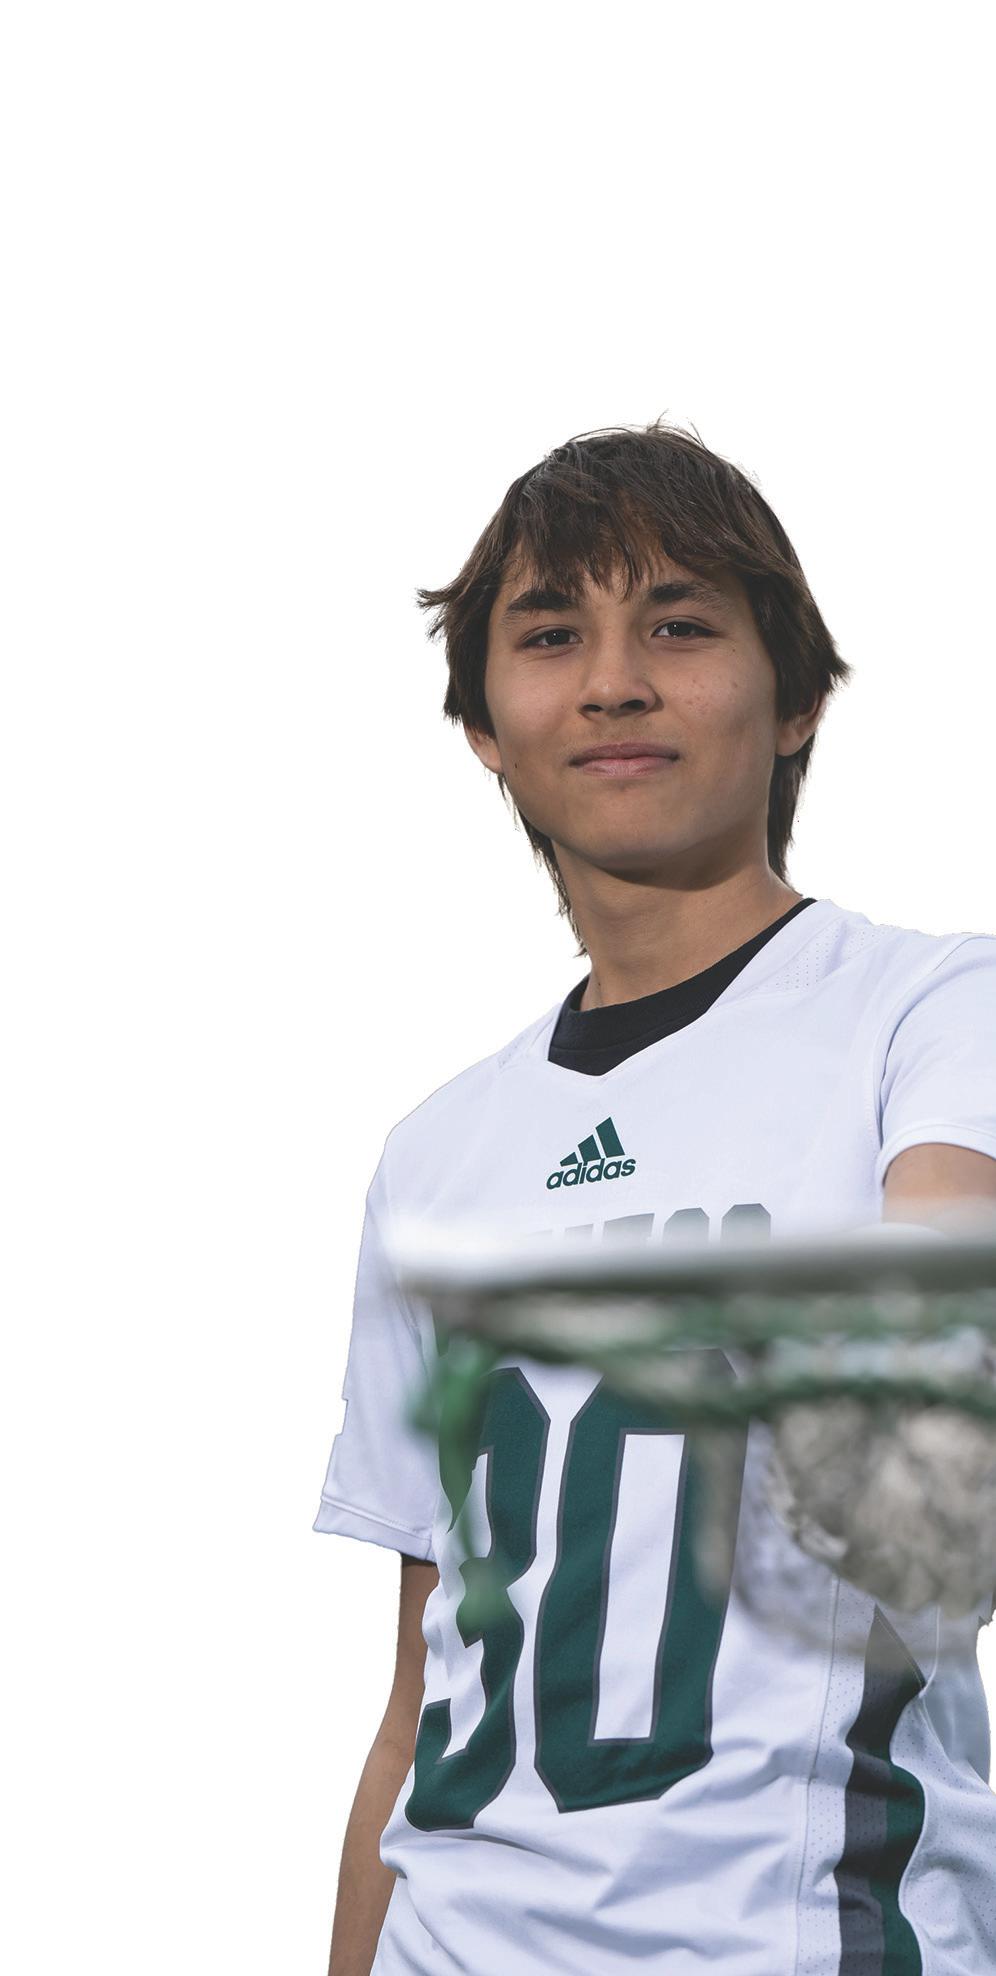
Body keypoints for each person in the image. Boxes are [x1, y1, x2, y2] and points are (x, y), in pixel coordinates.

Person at [313, 419, 996, 1974]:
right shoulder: (435, 1155)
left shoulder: (930, 1012)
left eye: (679, 626)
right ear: (483, 724)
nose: (614, 682)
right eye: (552, 635)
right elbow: (418, 1704)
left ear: (797, 697)